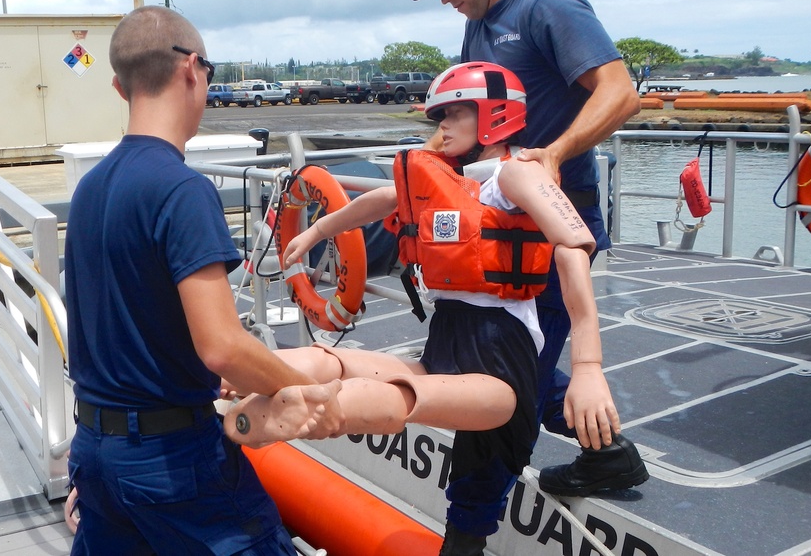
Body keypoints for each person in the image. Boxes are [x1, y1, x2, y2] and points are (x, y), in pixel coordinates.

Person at [224, 62, 626, 556]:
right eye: (441, 116)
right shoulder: (453, 183)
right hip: (448, 340)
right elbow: (381, 200)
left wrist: (588, 367)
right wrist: (316, 230)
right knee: (339, 360)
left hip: (504, 357)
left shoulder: (517, 174)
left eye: (456, 113)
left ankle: (319, 411)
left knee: (406, 398)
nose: (443, 126)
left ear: (494, 115)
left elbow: (573, 245)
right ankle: (252, 376)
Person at [64, 5, 344, 555]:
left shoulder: (90, 187)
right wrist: (301, 389)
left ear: (121, 87)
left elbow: (122, 316)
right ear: (192, 69)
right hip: (169, 464)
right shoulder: (181, 189)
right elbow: (221, 346)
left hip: (96, 451)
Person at [411, 0, 647, 549]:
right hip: (496, 224)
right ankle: (608, 451)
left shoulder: (548, 6)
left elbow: (620, 93)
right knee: (526, 356)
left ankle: (465, 536)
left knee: (506, 383)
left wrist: (555, 152)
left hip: (548, 223)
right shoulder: (477, 27)